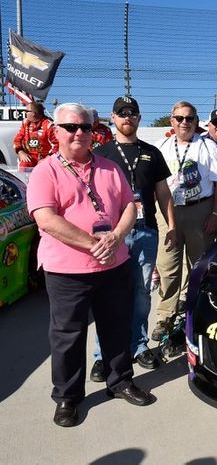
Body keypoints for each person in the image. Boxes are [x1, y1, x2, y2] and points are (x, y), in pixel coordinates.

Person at [26, 103, 155, 428]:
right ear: (56, 131)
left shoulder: (110, 168)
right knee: (68, 335)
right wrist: (93, 244)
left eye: (85, 126)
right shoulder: (46, 171)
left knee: (116, 327)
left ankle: (120, 381)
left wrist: (116, 236)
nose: (79, 132)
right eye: (71, 127)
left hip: (114, 265)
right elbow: (46, 218)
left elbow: (129, 204)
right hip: (66, 271)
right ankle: (68, 397)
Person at [89, 96, 177, 381]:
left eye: (133, 113)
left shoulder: (152, 152)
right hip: (113, 236)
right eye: (121, 113)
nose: (127, 118)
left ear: (139, 118)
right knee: (109, 296)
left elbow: (163, 193)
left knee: (140, 294)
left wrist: (172, 226)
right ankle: (103, 354)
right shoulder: (100, 154)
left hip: (146, 232)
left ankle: (138, 345)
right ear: (112, 118)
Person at [151, 101, 217, 340]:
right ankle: (165, 316)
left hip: (199, 211)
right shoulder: (161, 147)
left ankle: (193, 312)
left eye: (190, 118)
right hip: (167, 211)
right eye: (179, 118)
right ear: (171, 121)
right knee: (167, 266)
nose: (184, 122)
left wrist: (215, 214)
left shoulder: (207, 146)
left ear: (196, 122)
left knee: (198, 266)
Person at [13, 101, 55, 169]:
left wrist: (47, 158)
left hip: (45, 158)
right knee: (24, 164)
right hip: (30, 156)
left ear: (34, 113)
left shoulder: (48, 125)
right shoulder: (25, 123)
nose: (25, 113)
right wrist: (21, 152)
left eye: (27, 111)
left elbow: (57, 146)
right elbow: (17, 140)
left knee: (43, 169)